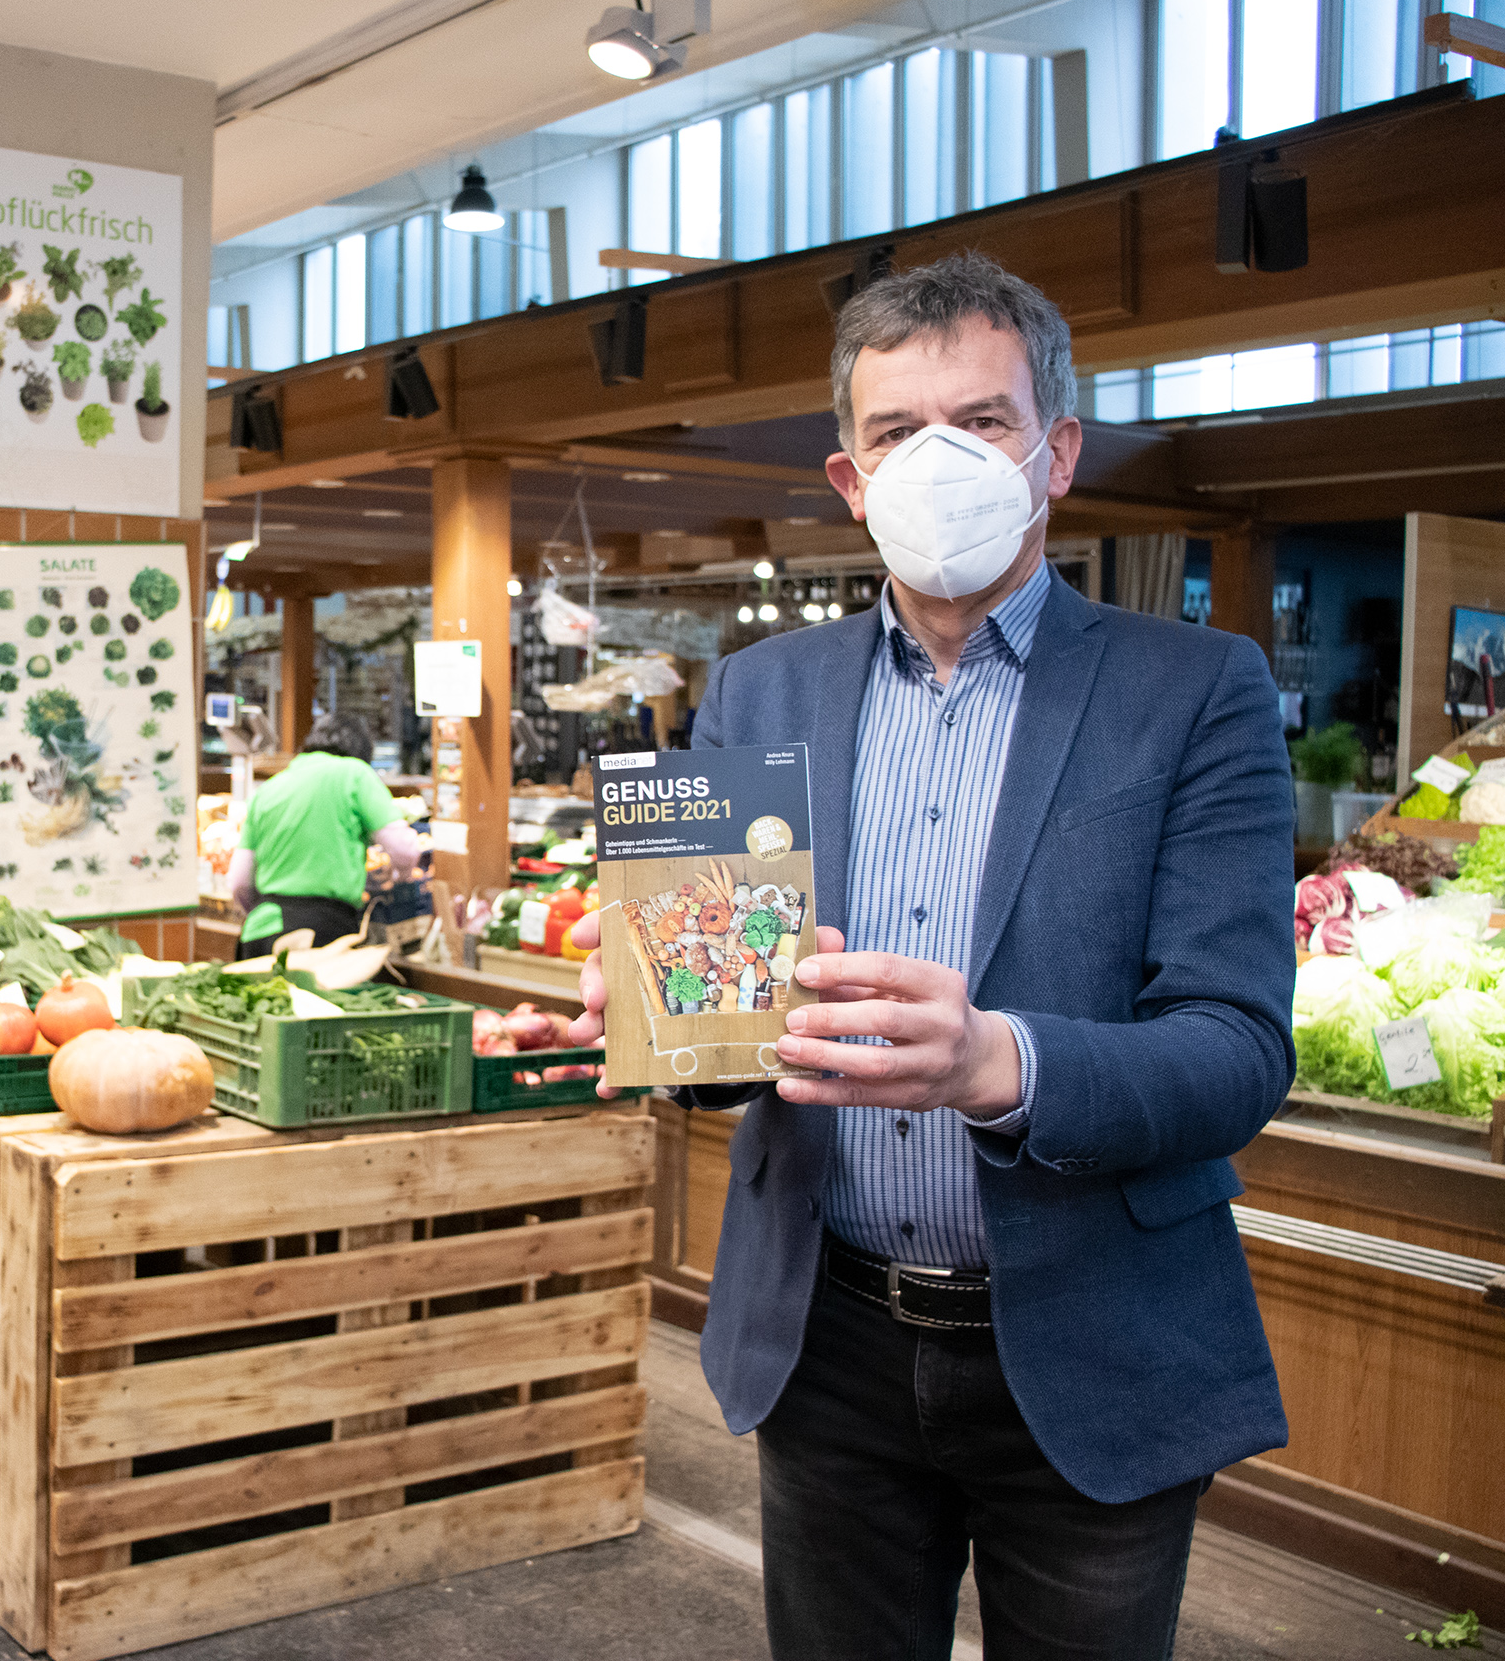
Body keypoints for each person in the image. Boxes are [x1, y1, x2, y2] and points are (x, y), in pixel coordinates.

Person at [567, 252, 1294, 1659]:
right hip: (826, 1337)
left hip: (1091, 1335)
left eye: (982, 420)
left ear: (1054, 453)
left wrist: (993, 1061)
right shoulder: (762, 688)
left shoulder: (1195, 690)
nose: (938, 459)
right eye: (898, 431)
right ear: (850, 479)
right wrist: (664, 1013)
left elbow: (1235, 1048)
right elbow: (724, 1048)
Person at [227, 711, 420, 957]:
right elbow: (404, 849)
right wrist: (401, 876)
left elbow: (239, 882)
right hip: (321, 930)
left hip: (258, 931)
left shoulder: (269, 788)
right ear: (361, 753)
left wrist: (263, 911)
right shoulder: (354, 773)